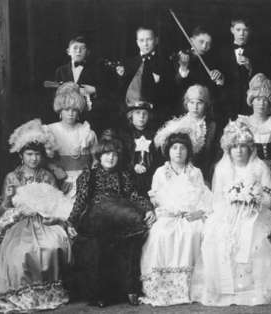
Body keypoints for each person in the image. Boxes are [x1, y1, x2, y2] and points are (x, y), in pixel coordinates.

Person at [192, 120, 271, 306]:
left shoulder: (259, 167)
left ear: (250, 148)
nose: (238, 151)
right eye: (234, 147)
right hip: (227, 212)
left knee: (252, 236)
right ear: (228, 149)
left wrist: (250, 202)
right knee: (218, 235)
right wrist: (232, 208)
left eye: (243, 146)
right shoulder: (222, 168)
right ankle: (224, 288)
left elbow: (267, 198)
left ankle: (251, 287)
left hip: (255, 212)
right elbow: (218, 198)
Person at [0, 119, 72, 313]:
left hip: (44, 221)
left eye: (37, 154)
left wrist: (54, 217)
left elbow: (55, 203)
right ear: (21, 155)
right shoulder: (12, 177)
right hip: (20, 223)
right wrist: (7, 200)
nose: (34, 159)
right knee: (21, 252)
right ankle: (23, 294)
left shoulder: (47, 176)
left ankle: (45, 293)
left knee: (50, 246)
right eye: (29, 154)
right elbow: (3, 210)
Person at [67, 132, 155, 307]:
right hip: (95, 217)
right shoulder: (88, 175)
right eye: (107, 154)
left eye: (115, 154)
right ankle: (99, 293)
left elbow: (133, 195)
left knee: (131, 238)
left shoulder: (124, 174)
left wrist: (148, 209)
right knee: (98, 243)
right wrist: (71, 221)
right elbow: (81, 201)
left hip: (121, 217)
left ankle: (130, 289)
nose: (111, 158)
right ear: (99, 156)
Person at [140, 125, 212, 306]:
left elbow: (203, 197)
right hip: (168, 215)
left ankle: (190, 287)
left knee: (193, 233)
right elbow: (156, 200)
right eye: (174, 148)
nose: (178, 152)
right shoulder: (160, 172)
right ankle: (163, 287)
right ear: (168, 151)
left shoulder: (195, 172)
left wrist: (198, 213)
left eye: (182, 148)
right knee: (161, 234)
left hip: (191, 215)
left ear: (188, 151)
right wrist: (167, 212)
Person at [47, 82, 97, 204]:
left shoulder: (87, 131)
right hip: (59, 180)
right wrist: (55, 170)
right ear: (60, 110)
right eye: (66, 109)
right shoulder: (50, 130)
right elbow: (43, 159)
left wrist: (89, 177)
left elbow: (96, 160)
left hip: (85, 181)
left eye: (74, 110)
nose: (70, 113)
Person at [115, 26, 172, 126]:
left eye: (149, 40)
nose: (145, 44)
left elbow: (169, 94)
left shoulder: (165, 63)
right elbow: (121, 92)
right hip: (131, 115)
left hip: (156, 115)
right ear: (137, 42)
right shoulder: (128, 63)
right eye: (141, 40)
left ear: (156, 40)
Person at [237, 73, 271, 179]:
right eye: (258, 99)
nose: (261, 104)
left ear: (270, 104)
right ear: (252, 101)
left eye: (265, 100)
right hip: (248, 171)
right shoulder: (243, 123)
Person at [55, 35, 109, 134]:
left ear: (87, 52)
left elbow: (108, 92)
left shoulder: (97, 70)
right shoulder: (61, 71)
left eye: (82, 48)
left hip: (89, 117)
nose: (78, 51)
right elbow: (55, 96)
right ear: (68, 51)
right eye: (75, 48)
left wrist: (94, 90)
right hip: (67, 117)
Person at [173, 26, 225, 127]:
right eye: (201, 42)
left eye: (208, 43)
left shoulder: (215, 60)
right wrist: (183, 68)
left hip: (208, 112)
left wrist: (219, 80)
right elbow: (177, 85)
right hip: (184, 111)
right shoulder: (181, 58)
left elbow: (218, 91)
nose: (205, 46)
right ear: (191, 40)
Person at [170, 84, 217, 183]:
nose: (195, 107)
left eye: (199, 103)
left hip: (205, 175)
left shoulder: (212, 127)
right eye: (191, 102)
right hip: (180, 174)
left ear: (206, 104)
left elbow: (215, 156)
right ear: (186, 104)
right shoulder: (178, 124)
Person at [219, 17, 260, 120]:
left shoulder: (257, 52)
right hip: (227, 104)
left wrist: (250, 67)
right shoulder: (222, 51)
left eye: (245, 30)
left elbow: (261, 79)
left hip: (248, 105)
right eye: (238, 30)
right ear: (232, 30)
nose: (241, 33)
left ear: (249, 31)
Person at [119, 101, 160, 196]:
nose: (141, 116)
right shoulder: (124, 135)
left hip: (150, 177)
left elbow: (158, 158)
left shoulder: (155, 135)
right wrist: (133, 166)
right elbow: (122, 157)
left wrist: (149, 168)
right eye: (137, 113)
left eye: (145, 113)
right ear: (131, 115)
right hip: (129, 176)